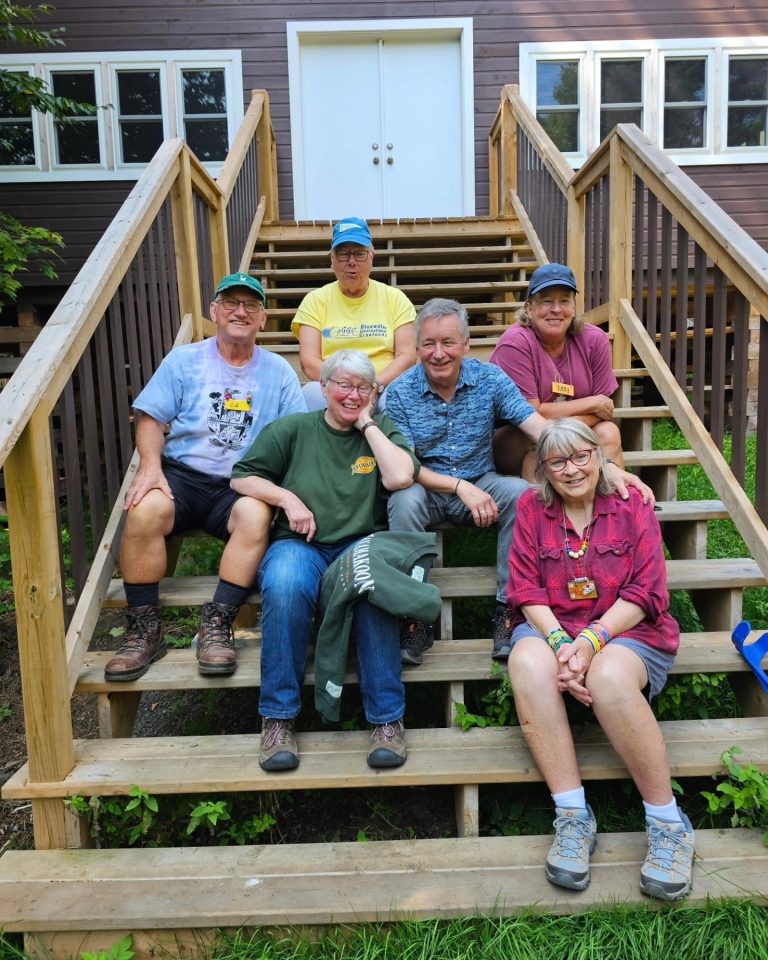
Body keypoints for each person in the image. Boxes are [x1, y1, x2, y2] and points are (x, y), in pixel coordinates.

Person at [386, 298, 651, 665]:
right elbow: (405, 466)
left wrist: (604, 467)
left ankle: (507, 612)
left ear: (466, 344)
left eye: (448, 342)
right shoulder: (399, 392)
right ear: (416, 348)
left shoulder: (490, 380)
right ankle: (413, 615)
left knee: (523, 495)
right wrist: (459, 487)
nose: (438, 353)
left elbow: (539, 429)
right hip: (427, 486)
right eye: (428, 343)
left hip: (484, 479)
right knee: (403, 499)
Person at [505, 418, 694, 901]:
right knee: (525, 662)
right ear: (544, 470)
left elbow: (647, 590)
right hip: (555, 629)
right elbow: (526, 590)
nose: (571, 470)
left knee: (610, 677)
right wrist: (561, 648)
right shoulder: (531, 506)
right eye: (557, 461)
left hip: (630, 629)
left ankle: (668, 824)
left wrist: (590, 642)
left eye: (581, 456)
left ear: (599, 454)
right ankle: (572, 817)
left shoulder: (633, 504)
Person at [104, 273, 306, 683]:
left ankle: (217, 625)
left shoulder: (279, 372)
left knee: (255, 516)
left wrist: (285, 490)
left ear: (263, 319)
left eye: (250, 305)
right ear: (214, 311)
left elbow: (297, 433)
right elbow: (150, 417)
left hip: (242, 483)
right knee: (143, 510)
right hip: (182, 476)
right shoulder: (184, 360)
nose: (240, 311)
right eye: (230, 302)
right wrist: (150, 467)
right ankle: (145, 631)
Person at [230, 349, 420, 772]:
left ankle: (387, 721)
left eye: (363, 388)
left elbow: (401, 477)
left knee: (372, 590)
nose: (352, 395)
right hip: (299, 545)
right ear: (324, 387)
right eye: (344, 386)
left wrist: (369, 423)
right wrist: (286, 498)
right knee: (283, 584)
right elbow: (241, 475)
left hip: (360, 546)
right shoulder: (293, 429)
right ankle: (278, 720)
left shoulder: (382, 430)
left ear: (373, 393)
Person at [490, 263, 623, 480]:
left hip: (570, 432)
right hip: (515, 438)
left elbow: (604, 411)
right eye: (546, 301)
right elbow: (530, 416)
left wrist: (576, 417)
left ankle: (615, 505)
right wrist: (591, 403)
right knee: (538, 445)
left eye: (564, 300)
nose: (556, 309)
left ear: (574, 307)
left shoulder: (594, 339)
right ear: (529, 308)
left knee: (609, 432)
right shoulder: (515, 343)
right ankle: (542, 512)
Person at [291, 216, 416, 410]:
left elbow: (407, 356)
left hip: (382, 387)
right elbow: (309, 361)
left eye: (359, 254)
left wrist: (376, 384)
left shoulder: (395, 299)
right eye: (343, 254)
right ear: (332, 259)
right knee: (311, 394)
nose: (351, 262)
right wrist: (345, 387)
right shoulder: (315, 301)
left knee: (395, 397)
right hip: (334, 386)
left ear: (372, 257)